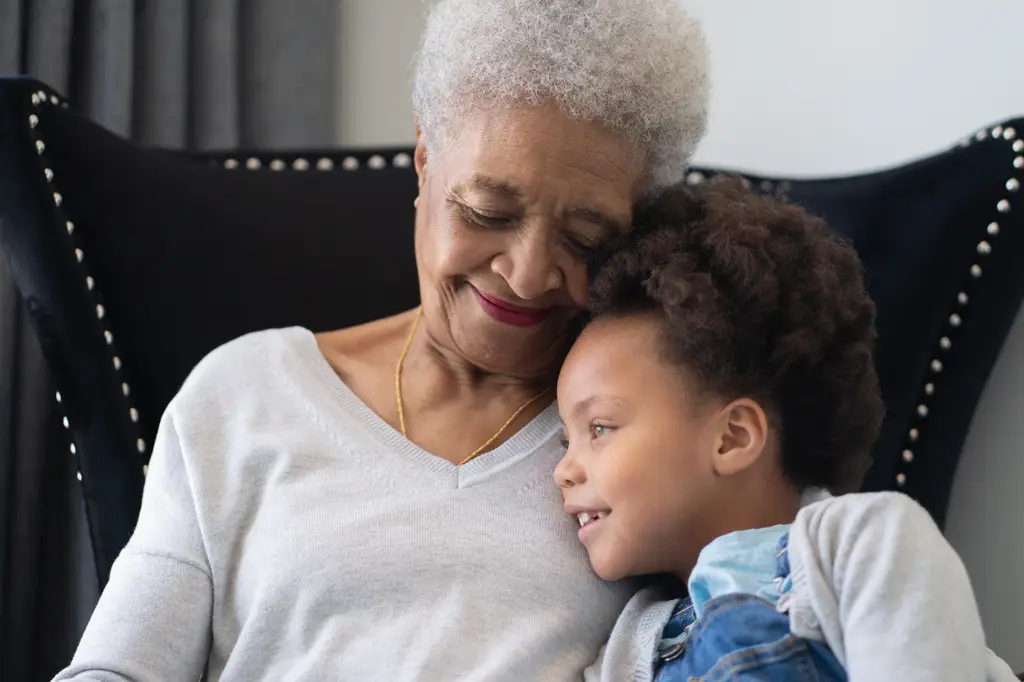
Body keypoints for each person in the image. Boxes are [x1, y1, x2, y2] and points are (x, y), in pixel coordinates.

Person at [53, 1, 709, 680]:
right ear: (425, 160)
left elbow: (798, 579)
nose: (528, 272)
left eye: (585, 238)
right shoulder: (243, 395)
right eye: (489, 212)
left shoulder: (657, 440)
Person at [555, 178, 1018, 682]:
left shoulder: (860, 546)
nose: (562, 469)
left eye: (599, 427)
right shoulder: (627, 649)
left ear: (732, 437)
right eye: (565, 439)